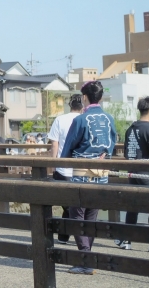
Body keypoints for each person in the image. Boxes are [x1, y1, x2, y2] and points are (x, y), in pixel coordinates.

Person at [60, 80, 116, 275]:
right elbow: (112, 143)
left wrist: (65, 159)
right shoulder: (109, 118)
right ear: (99, 98)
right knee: (91, 215)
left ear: (84, 98)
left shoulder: (81, 120)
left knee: (77, 215)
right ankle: (87, 258)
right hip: (101, 173)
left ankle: (86, 260)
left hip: (82, 171)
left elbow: (67, 148)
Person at [48, 94, 83, 244]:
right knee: (73, 205)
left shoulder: (60, 119)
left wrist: (53, 164)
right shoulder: (84, 119)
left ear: (70, 105)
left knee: (69, 204)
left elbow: (54, 144)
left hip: (63, 169)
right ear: (83, 106)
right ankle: (78, 236)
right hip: (81, 168)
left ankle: (64, 235)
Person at [118, 96, 149, 252]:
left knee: (132, 207)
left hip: (132, 173)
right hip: (147, 174)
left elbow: (126, 153)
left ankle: (127, 240)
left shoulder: (130, 128)